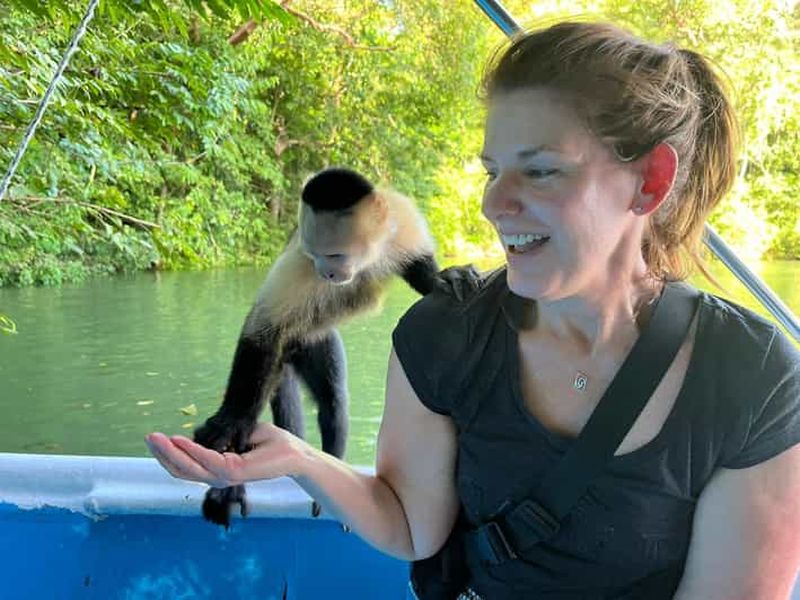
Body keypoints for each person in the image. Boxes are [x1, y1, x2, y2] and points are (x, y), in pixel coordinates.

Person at [145, 21, 800, 599]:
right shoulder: (444, 333)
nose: (493, 204)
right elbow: (410, 526)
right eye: (492, 171)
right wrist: (300, 458)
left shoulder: (750, 376)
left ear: (650, 181)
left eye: (540, 172)